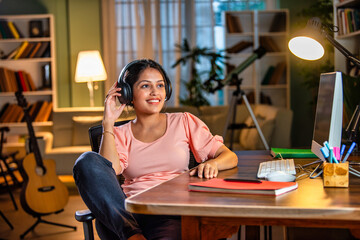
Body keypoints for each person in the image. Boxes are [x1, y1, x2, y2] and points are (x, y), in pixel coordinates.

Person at [73, 59, 238, 240]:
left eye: (160, 85)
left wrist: (213, 163)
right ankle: (132, 234)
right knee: (86, 161)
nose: (155, 92)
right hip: (129, 213)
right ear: (128, 94)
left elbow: (230, 157)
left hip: (169, 212)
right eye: (145, 86)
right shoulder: (119, 133)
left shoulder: (184, 122)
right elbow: (107, 172)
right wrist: (108, 123)